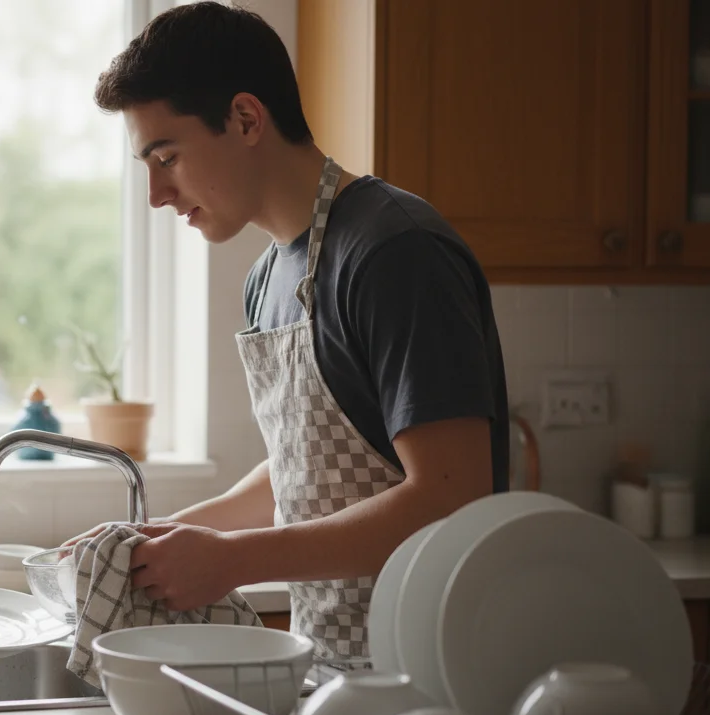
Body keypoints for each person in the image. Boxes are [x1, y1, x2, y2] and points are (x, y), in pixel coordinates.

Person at [69, 2, 509, 663]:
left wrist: (233, 560)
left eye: (167, 156)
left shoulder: (395, 251)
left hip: (433, 668)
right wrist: (157, 541)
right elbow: (308, 467)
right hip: (331, 664)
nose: (158, 193)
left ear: (246, 118)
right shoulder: (267, 279)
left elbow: (449, 496)